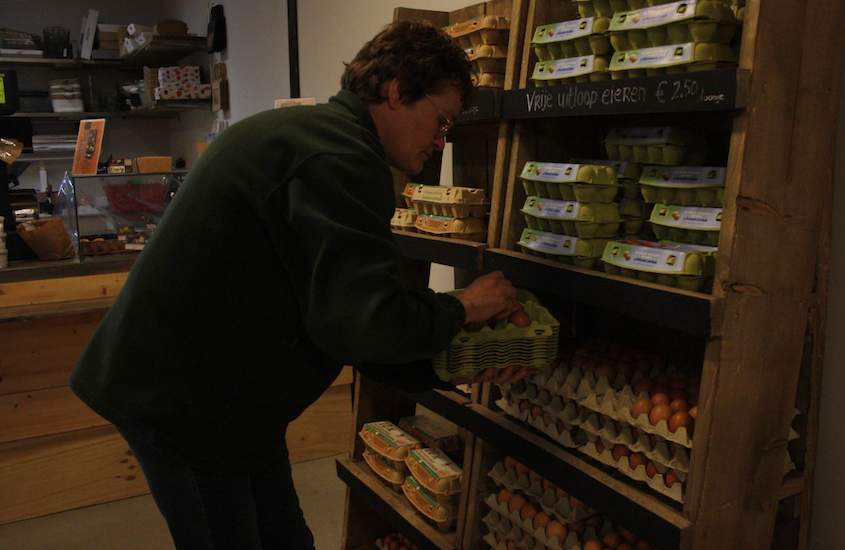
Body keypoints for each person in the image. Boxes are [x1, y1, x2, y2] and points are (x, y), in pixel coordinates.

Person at [70, 21, 518, 550]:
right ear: (396, 91)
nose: (442, 140)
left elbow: (338, 319)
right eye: (440, 120)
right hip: (187, 405)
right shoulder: (339, 157)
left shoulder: (314, 137)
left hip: (229, 402)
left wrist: (454, 362)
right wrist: (464, 306)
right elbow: (364, 325)